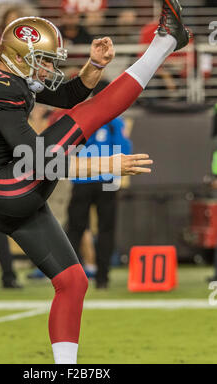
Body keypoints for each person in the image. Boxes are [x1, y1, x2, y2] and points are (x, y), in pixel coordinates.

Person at [0, 0, 189, 364]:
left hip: (10, 189)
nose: (47, 68)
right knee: (91, 115)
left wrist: (93, 67)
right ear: (19, 57)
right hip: (6, 188)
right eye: (41, 60)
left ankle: (65, 371)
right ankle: (166, 41)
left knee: (73, 282)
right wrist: (106, 163)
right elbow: (38, 160)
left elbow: (68, 95)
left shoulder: (2, 69)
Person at [66, 82, 132, 289]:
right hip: (107, 179)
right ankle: (102, 278)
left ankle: (70, 275)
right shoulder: (115, 120)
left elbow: (68, 145)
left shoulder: (81, 114)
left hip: (82, 178)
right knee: (106, 229)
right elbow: (124, 148)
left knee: (74, 229)